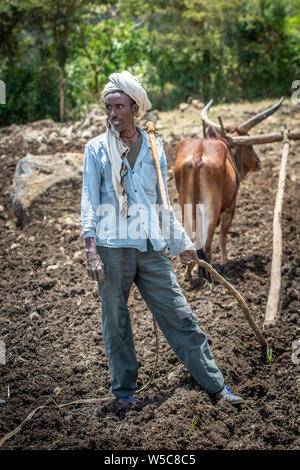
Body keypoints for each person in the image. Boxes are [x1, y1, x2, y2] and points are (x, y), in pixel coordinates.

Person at [80, 70, 244, 407]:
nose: (112, 114)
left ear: (135, 109)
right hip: (112, 249)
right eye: (108, 107)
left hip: (151, 247)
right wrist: (90, 248)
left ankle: (216, 387)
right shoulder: (96, 149)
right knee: (117, 322)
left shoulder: (154, 148)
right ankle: (124, 393)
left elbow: (162, 203)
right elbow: (89, 201)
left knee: (181, 315)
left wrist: (182, 243)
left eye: (119, 107)